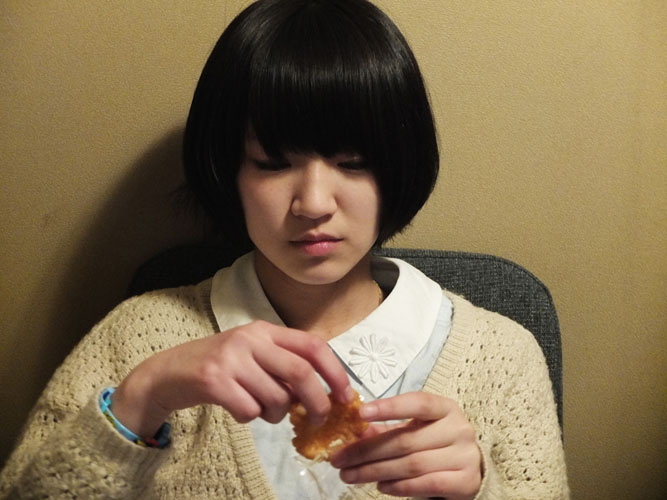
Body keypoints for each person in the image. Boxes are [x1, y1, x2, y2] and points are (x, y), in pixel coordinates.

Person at [0, 0, 569, 498]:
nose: (314, 202)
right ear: (229, 171)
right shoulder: (139, 336)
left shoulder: (501, 358)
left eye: (353, 162)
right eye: (273, 163)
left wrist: (480, 490)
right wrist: (143, 397)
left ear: (399, 166)